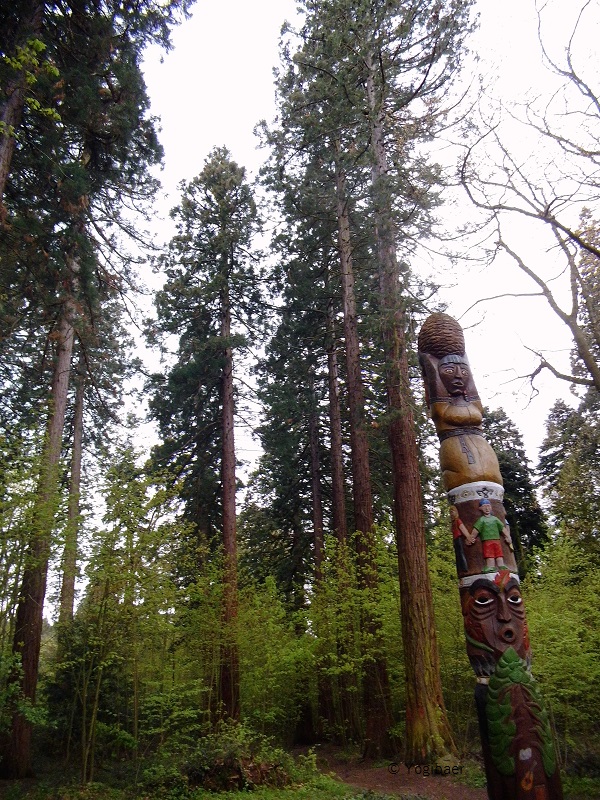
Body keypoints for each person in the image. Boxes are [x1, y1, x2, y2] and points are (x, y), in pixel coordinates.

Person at [467, 498, 513, 573]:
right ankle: (490, 566)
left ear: (491, 507)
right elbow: (476, 530)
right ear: (480, 508)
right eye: (484, 506)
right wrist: (471, 537)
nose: (487, 508)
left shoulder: (495, 519)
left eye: (488, 506)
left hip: (496, 540)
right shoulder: (481, 520)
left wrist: (508, 536)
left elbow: (503, 529)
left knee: (499, 553)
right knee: (489, 554)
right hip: (487, 541)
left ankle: (501, 565)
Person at [450, 504, 469, 573]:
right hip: (455, 539)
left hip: (459, 538)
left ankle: (464, 567)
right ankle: (459, 568)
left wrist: (468, 536)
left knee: (461, 553)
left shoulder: (458, 521)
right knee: (457, 554)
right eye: (450, 512)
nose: (451, 513)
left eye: (453, 512)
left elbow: (462, 528)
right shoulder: (453, 522)